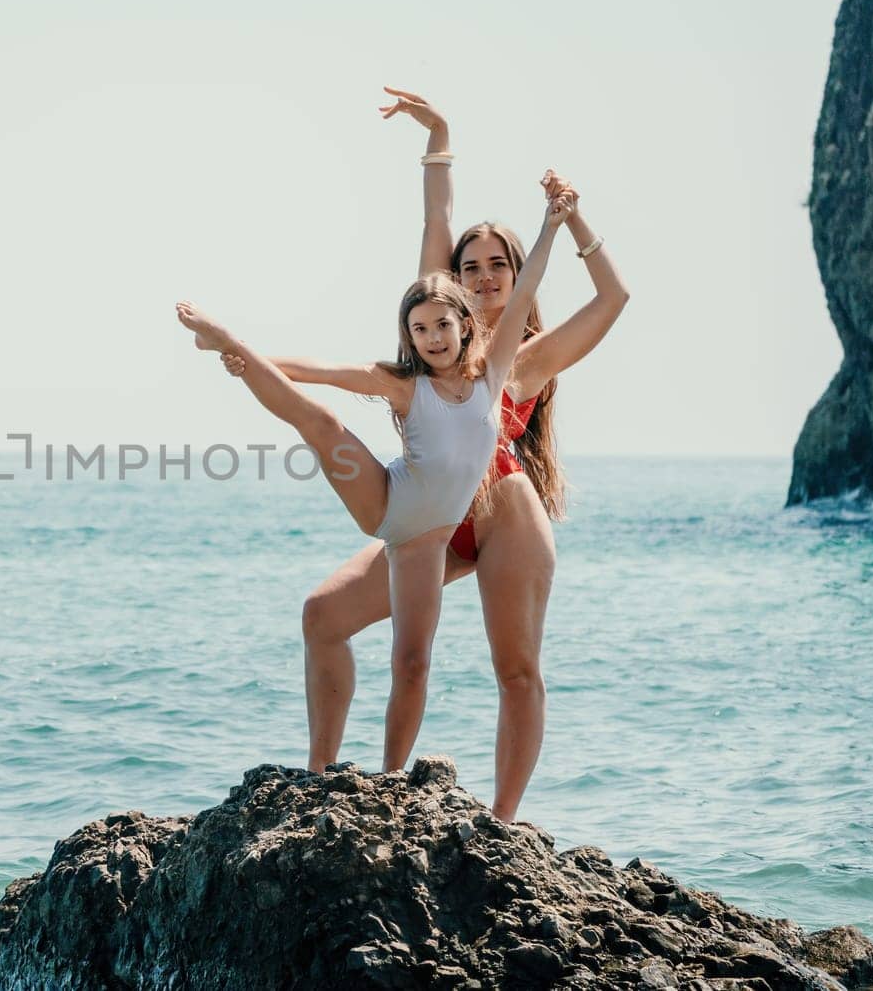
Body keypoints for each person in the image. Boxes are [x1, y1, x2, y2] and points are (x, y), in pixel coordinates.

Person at [222, 88, 629, 822]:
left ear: (515, 274)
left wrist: (571, 218)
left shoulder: (523, 357)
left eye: (496, 265)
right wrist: (439, 135)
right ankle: (325, 782)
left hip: (505, 512)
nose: (480, 276)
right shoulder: (437, 326)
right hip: (430, 517)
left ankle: (503, 823)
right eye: (469, 266)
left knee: (517, 669)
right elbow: (437, 220)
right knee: (323, 616)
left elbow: (613, 297)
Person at [176, 179, 573, 785]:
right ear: (408, 337)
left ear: (465, 326)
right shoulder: (402, 383)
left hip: (424, 542)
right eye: (419, 330)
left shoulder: (497, 374)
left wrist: (552, 223)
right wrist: (244, 359)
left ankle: (390, 781)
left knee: (411, 663)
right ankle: (227, 341)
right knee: (319, 421)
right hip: (387, 502)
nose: (433, 338)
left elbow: (529, 287)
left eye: (442, 325)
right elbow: (318, 373)